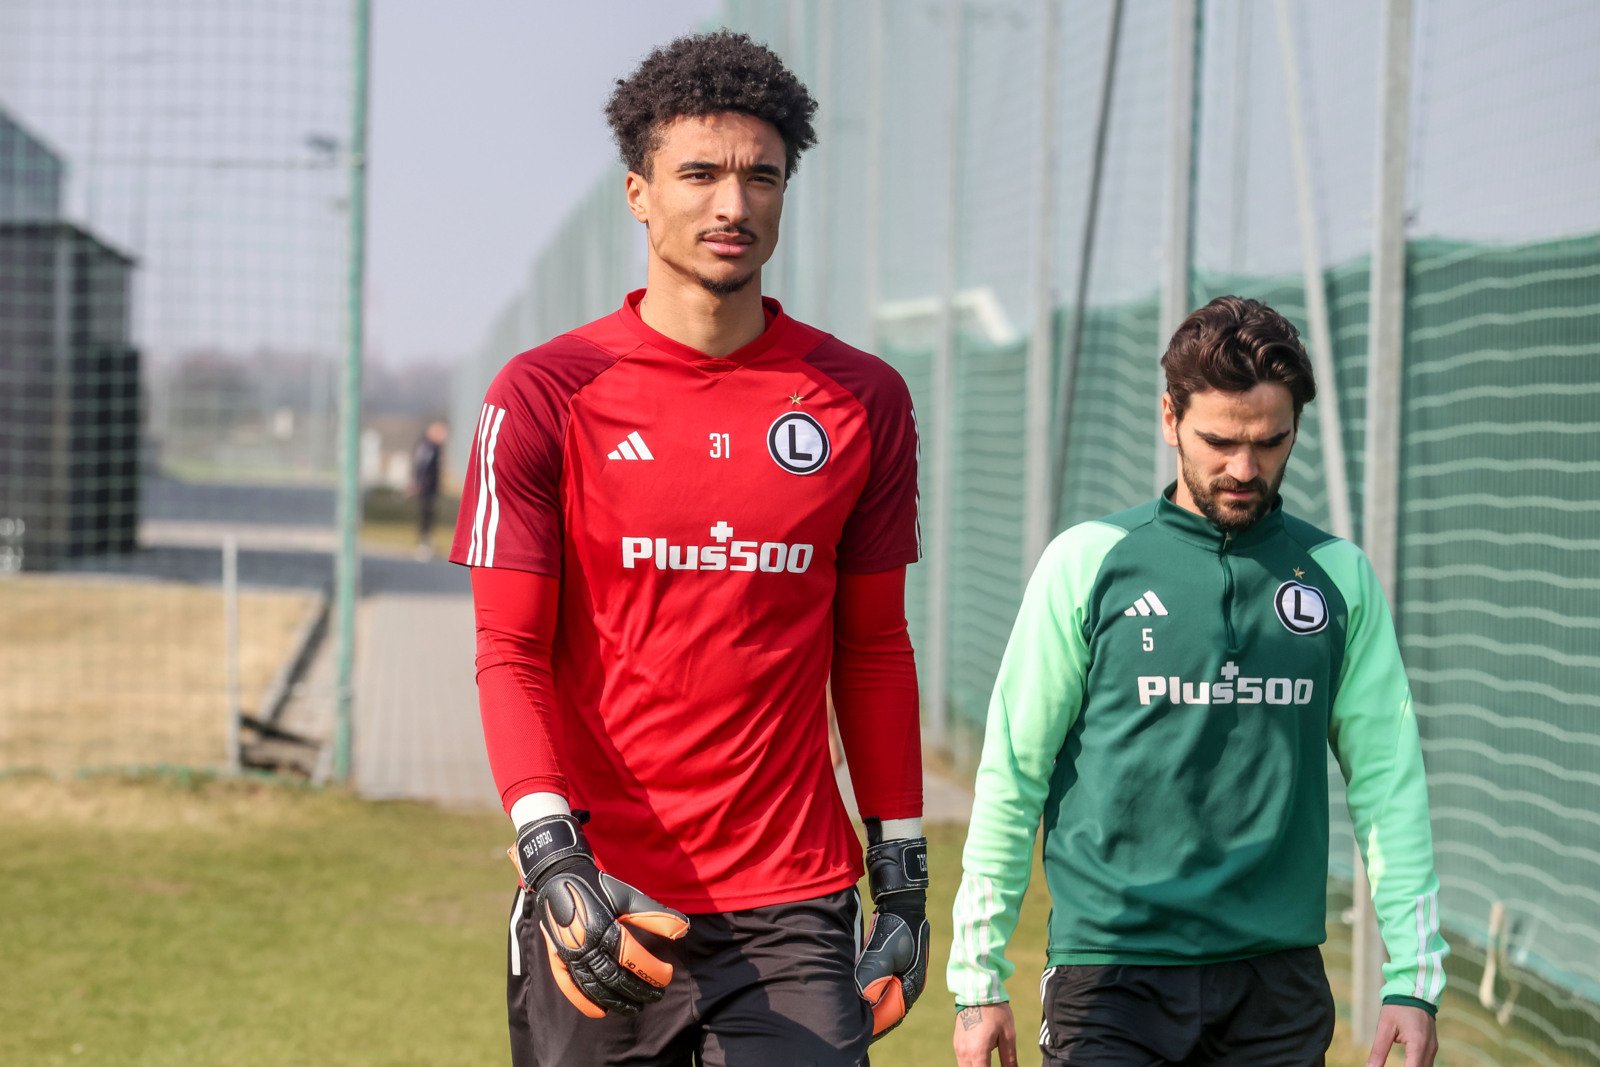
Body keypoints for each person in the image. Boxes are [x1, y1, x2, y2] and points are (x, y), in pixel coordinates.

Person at [451, 31, 929, 1067]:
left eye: (762, 176)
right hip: (606, 897)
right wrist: (552, 856)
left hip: (793, 904)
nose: (732, 204)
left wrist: (902, 867)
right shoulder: (542, 394)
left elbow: (876, 648)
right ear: (638, 191)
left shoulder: (863, 400)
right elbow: (509, 651)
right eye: (700, 173)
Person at [948, 296, 1449, 1067]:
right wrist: (978, 978)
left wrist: (1413, 980)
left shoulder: (1337, 577)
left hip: (1275, 979)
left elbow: (1390, 783)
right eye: (1220, 440)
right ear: (1169, 417)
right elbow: (1013, 771)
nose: (1245, 468)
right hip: (1110, 971)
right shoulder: (1088, 563)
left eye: (1270, 441)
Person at [410, 419, 448, 559]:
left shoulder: (435, 448)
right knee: (425, 516)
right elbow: (420, 465)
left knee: (429, 515)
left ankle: (427, 542)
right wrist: (417, 483)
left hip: (431, 487)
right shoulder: (427, 447)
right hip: (425, 487)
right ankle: (423, 544)